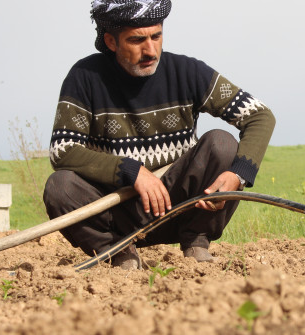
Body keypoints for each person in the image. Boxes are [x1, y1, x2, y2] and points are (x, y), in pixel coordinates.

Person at [42, 0, 275, 269]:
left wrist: (238, 174)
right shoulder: (84, 77)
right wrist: (132, 171)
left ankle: (197, 242)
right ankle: (118, 252)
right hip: (116, 212)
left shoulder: (188, 72)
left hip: (180, 208)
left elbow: (259, 115)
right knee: (60, 186)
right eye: (137, 40)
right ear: (111, 41)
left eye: (156, 36)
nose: (150, 49)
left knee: (222, 143)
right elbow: (63, 150)